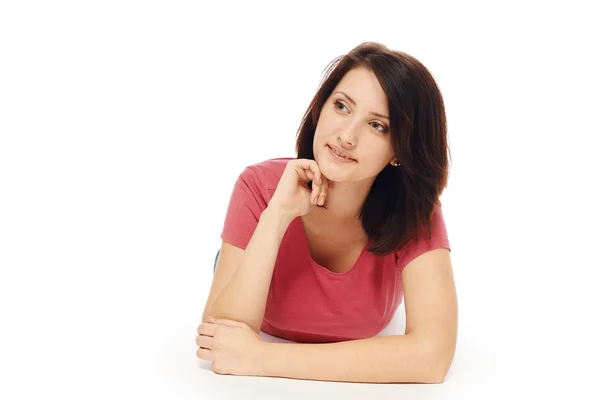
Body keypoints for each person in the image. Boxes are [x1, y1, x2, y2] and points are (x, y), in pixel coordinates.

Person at [196, 42, 458, 384]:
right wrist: (276, 216)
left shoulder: (415, 211)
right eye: (341, 106)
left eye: (377, 125)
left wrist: (262, 357)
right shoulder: (259, 186)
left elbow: (432, 357)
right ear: (320, 108)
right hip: (256, 243)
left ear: (400, 150)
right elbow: (221, 340)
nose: (347, 136)